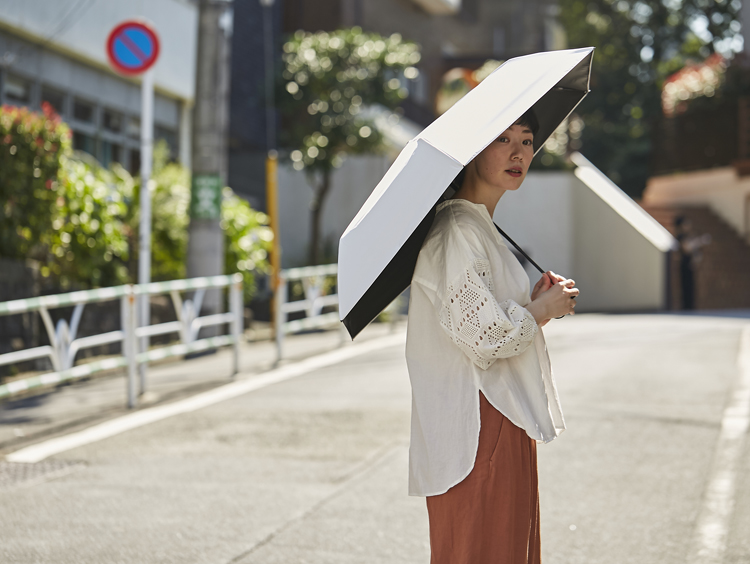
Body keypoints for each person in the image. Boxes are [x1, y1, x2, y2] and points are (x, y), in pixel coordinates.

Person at [405, 108, 579, 564]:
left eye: (526, 140)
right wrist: (541, 311)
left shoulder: (478, 225)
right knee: (484, 550)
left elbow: (486, 317)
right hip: (481, 421)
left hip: (498, 411)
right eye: (502, 138)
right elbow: (485, 335)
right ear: (471, 150)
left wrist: (534, 302)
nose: (518, 151)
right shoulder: (458, 230)